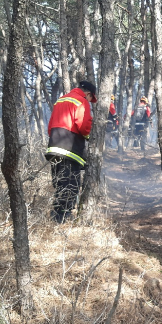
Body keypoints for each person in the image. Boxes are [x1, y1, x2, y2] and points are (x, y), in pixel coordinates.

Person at [45, 80, 96, 223]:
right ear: (88, 94)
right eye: (91, 98)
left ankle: (57, 216)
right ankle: (62, 219)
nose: (91, 101)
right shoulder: (81, 101)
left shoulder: (61, 100)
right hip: (69, 149)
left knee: (59, 183)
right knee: (71, 185)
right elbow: (84, 125)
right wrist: (90, 137)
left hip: (54, 147)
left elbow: (50, 126)